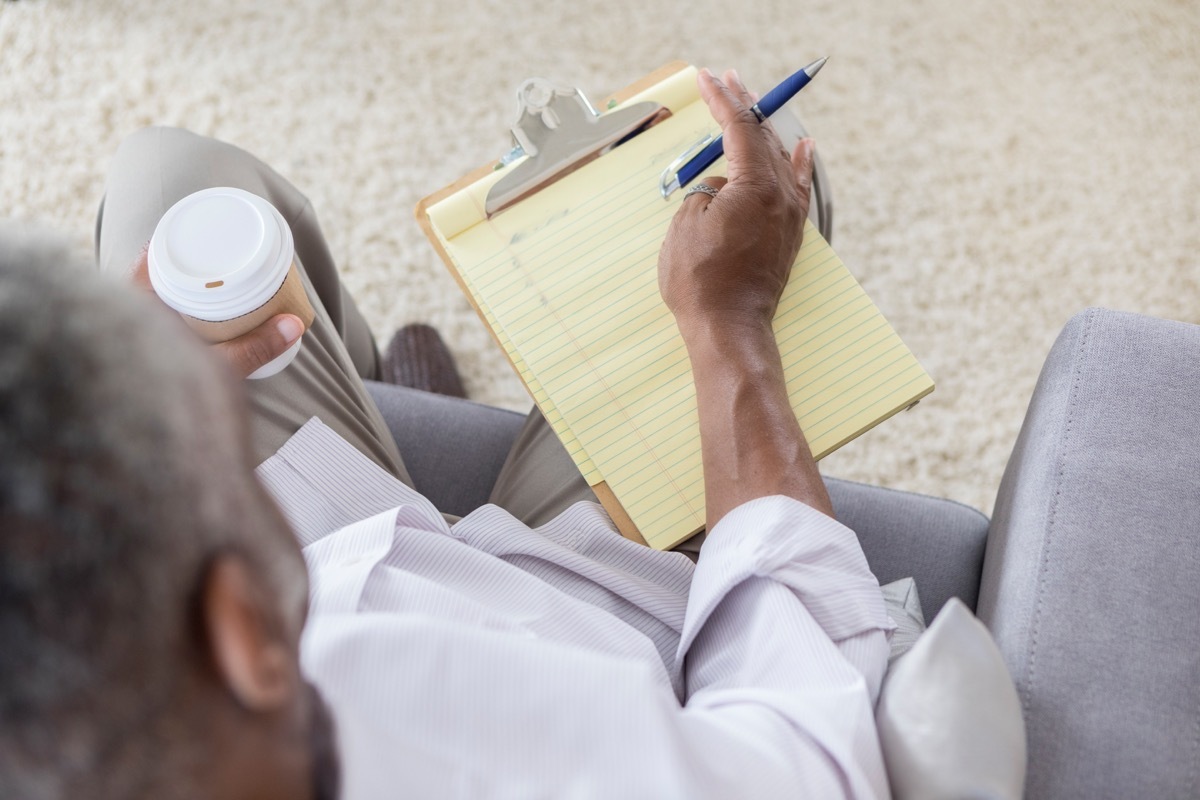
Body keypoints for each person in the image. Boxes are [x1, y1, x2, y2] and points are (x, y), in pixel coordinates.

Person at [0, 69, 894, 798]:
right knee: (757, 201)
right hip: (591, 617)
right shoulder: (500, 743)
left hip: (351, 554)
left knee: (173, 186)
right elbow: (814, 731)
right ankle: (392, 424)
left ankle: (369, 396)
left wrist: (123, 395)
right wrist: (729, 317)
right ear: (242, 629)